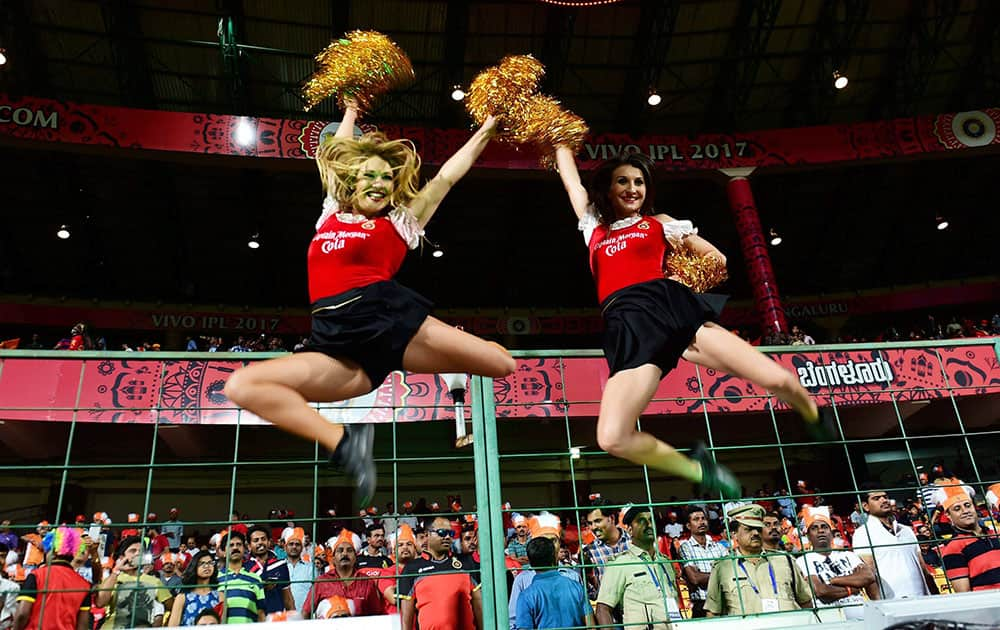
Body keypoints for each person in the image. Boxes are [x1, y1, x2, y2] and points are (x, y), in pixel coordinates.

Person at [224, 96, 516, 504]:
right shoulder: (330, 213)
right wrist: (351, 111)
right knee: (242, 386)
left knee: (502, 364)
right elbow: (335, 152)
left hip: (388, 321)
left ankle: (473, 352)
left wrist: (485, 130)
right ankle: (346, 445)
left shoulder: (400, 222)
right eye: (370, 176)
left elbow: (447, 177)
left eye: (387, 178)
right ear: (352, 181)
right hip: (338, 345)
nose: (379, 184)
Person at [553, 147, 831, 497]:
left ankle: (815, 418)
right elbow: (571, 182)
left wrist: (680, 275)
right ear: (607, 188)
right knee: (612, 437)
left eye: (639, 182)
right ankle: (700, 469)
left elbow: (717, 259)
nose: (632, 188)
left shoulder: (661, 223)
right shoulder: (594, 227)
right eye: (622, 180)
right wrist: (560, 140)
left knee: (780, 380)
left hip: (675, 312)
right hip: (630, 329)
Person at [704, 504, 812, 616]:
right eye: (748, 529)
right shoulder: (723, 567)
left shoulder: (784, 560)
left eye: (758, 529)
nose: (755, 533)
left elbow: (805, 602)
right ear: (734, 534)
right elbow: (713, 613)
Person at [596, 505, 680, 629]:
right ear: (630, 530)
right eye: (642, 521)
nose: (649, 525)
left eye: (651, 520)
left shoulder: (665, 562)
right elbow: (603, 609)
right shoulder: (620, 564)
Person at [851, 485, 937, 599]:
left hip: (923, 598)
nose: (884, 500)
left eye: (885, 497)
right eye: (877, 498)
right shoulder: (862, 534)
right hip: (893, 604)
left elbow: (922, 567)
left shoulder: (906, 530)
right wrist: (881, 606)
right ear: (866, 506)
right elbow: (870, 576)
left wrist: (936, 596)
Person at [398, 515, 482, 630]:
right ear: (427, 535)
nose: (447, 537)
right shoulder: (412, 568)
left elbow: (479, 607)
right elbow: (406, 619)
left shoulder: (467, 563)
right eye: (442, 532)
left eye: (450, 533)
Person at [795, 506, 877, 620]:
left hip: (863, 618)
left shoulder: (848, 555)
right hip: (830, 620)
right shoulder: (803, 560)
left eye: (824, 527)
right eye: (814, 528)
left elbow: (868, 577)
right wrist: (852, 588)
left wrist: (834, 581)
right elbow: (821, 591)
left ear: (831, 532)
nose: (820, 531)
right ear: (808, 535)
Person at [12, 528, 91, 630]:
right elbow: (83, 626)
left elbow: (22, 614)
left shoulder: (37, 575)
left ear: (53, 552)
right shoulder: (84, 585)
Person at [515, 537, 593, 630]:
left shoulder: (526, 596)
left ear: (530, 562)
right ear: (555, 557)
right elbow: (591, 625)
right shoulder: (575, 586)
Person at [301, 530, 383, 618]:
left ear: (356, 558)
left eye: (349, 550)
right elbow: (306, 613)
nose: (344, 553)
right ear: (333, 559)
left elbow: (376, 615)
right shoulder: (321, 582)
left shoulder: (367, 582)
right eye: (340, 550)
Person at [95, 535, 172, 628]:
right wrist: (116, 571)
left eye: (141, 551)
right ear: (122, 556)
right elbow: (100, 603)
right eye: (133, 551)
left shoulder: (154, 581)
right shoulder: (113, 579)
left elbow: (172, 606)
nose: (138, 554)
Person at [939, 485, 1000, 591]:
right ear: (948, 515)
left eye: (968, 505)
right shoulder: (953, 548)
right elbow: (964, 594)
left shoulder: (996, 534)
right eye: (957, 509)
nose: (965, 511)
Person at [678, 506, 726, 618]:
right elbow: (694, 578)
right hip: (702, 604)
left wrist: (704, 577)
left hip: (723, 602)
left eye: (703, 518)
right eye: (696, 519)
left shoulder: (719, 546)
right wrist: (719, 576)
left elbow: (730, 574)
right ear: (688, 526)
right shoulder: (685, 548)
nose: (701, 522)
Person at [216, 531, 266, 623]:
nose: (235, 547)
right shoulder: (215, 579)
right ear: (223, 552)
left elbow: (261, 613)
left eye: (239, 544)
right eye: (231, 545)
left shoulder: (255, 579)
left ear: (244, 549)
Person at [245, 526, 294, 615]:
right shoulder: (244, 567)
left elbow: (288, 598)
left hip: (276, 619)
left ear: (268, 542)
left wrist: (293, 619)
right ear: (249, 546)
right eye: (256, 540)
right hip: (253, 619)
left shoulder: (280, 564)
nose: (260, 542)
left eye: (263, 539)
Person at [168, 550, 222, 627]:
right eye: (202, 563)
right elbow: (172, 627)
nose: (207, 566)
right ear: (194, 566)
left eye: (210, 563)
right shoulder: (182, 597)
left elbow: (223, 626)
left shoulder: (220, 596)